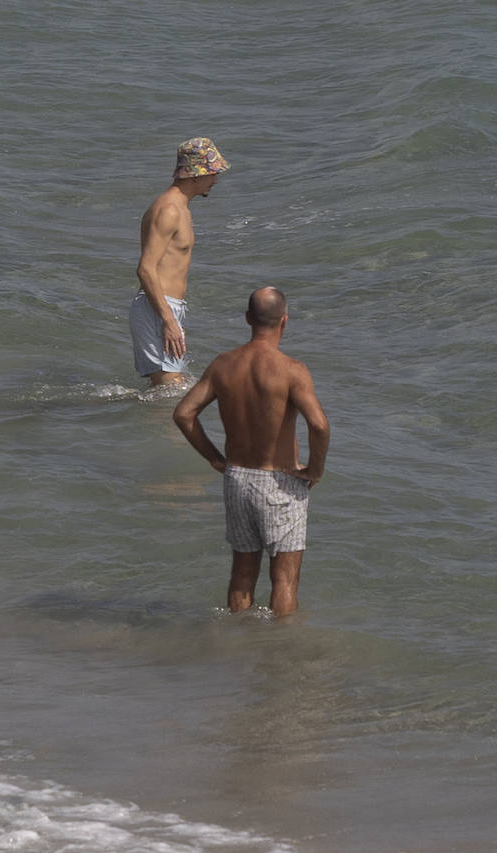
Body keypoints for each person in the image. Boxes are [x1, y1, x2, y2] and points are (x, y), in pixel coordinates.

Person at [171, 287, 330, 616]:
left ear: (247, 319)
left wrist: (215, 459)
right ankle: (279, 646)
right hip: (279, 481)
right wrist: (314, 471)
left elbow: (184, 414)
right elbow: (319, 426)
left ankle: (238, 642)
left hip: (237, 479)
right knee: (284, 579)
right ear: (284, 321)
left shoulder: (223, 365)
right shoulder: (292, 370)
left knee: (242, 575)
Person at [132, 137, 230, 385]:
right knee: (169, 389)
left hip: (166, 307)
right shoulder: (169, 211)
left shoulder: (181, 208)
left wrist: (173, 318)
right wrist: (168, 320)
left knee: (174, 388)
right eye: (213, 173)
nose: (215, 180)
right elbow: (145, 269)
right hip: (157, 307)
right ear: (195, 175)